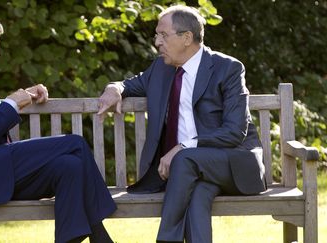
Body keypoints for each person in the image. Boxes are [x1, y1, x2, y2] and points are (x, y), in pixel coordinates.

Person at [0, 11, 116, 243]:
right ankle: (101, 236)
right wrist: (12, 103)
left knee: (70, 166)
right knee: (74, 143)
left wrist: (26, 95)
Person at [98, 5, 266, 243]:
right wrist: (114, 88)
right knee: (198, 195)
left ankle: (165, 240)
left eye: (163, 35)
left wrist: (183, 147)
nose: (157, 42)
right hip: (193, 174)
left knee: (185, 158)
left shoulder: (228, 68)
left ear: (187, 38)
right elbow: (130, 84)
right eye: (156, 35)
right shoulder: (161, 68)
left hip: (233, 163)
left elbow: (234, 133)